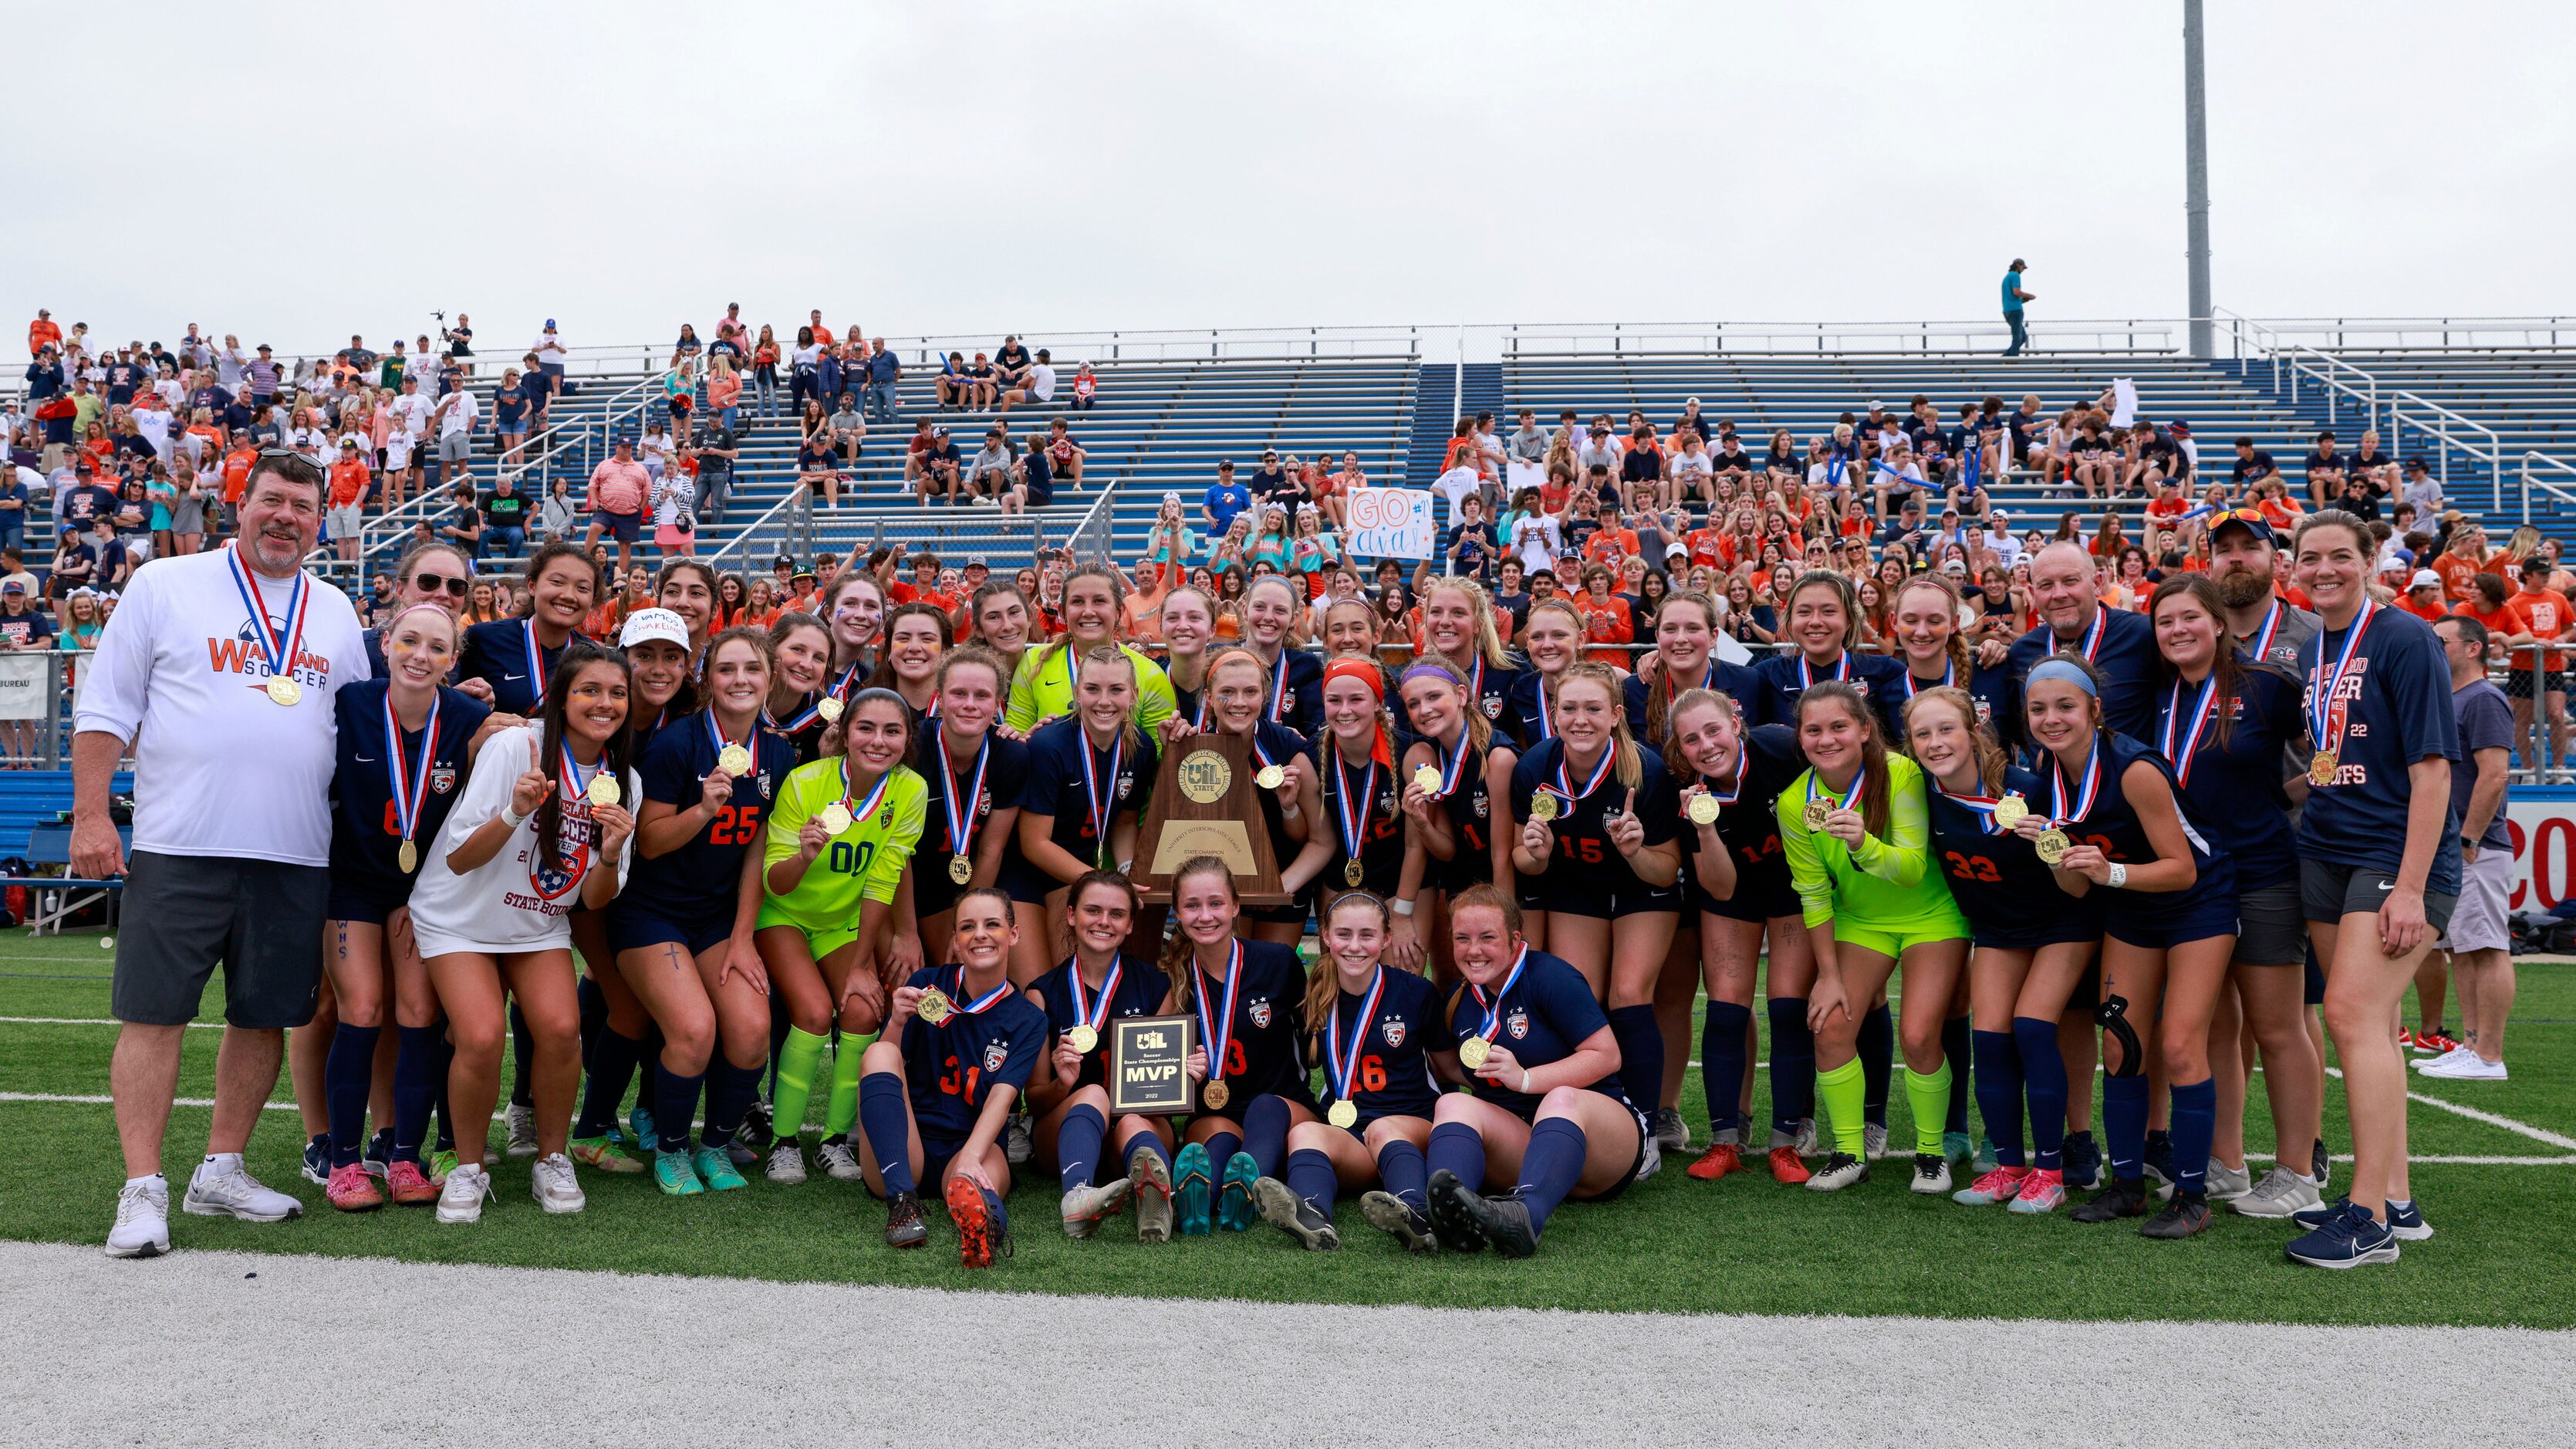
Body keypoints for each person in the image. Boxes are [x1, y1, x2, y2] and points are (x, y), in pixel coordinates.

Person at [76, 452, 368, 1257]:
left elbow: (361, 727)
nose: (286, 517)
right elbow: (105, 707)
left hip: (296, 852)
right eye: (271, 500)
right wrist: (94, 816)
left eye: (303, 506)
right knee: (154, 1013)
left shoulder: (337, 610)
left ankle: (223, 1169)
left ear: (321, 520)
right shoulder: (166, 584)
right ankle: (142, 1188)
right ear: (239, 506)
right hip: (182, 843)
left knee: (264, 1015)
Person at [405, 639, 640, 1223]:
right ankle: (467, 1167)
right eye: (589, 690)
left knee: (561, 1029)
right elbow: (459, 860)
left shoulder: (623, 780)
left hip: (535, 923)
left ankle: (551, 1159)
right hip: (459, 915)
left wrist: (609, 853)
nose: (604, 703)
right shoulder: (519, 745)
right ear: (563, 696)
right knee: (480, 1036)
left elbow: (592, 898)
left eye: (616, 693)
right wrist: (513, 812)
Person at [2281, 510, 2459, 1268]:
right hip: (2326, 848)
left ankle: (2368, 1217)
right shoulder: (2315, 646)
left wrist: (2414, 889)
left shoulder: (2404, 637)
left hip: (2392, 857)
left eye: (2340, 557)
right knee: (2373, 1025)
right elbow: (2334, 756)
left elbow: (2433, 772)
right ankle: (2398, 1197)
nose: (2325, 569)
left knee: (2353, 1014)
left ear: (2370, 560)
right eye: (2311, 558)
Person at [2145, 576, 2325, 1225]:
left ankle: (2298, 1172)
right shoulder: (2161, 695)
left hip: (2261, 874)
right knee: (2216, 1026)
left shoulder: (2265, 685)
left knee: (2276, 1027)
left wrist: (2291, 796)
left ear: (2219, 623)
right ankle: (2224, 1163)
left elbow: (2330, 747)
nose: (2176, 631)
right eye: (2164, 622)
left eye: (2189, 618)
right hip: (2191, 880)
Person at [596, 627, 795, 1195]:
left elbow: (757, 847)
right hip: (650, 912)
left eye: (751, 670)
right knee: (692, 1028)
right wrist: (704, 809)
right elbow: (651, 841)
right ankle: (673, 1149)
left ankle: (713, 1147)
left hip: (715, 919)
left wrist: (741, 936)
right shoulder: (676, 744)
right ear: (708, 678)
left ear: (769, 680)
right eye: (727, 669)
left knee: (753, 1029)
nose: (740, 680)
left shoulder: (777, 752)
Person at [311, 602, 495, 1211]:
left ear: (451, 660)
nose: (421, 655)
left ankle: (404, 1158)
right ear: (385, 643)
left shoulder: (469, 718)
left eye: (437, 647)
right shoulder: (349, 703)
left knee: (418, 1014)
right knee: (360, 1010)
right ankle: (342, 1162)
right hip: (354, 886)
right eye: (409, 641)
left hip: (423, 892)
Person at [1779, 681, 1970, 1194]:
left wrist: (1862, 844)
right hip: (1861, 922)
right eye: (1813, 729)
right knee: (1830, 1026)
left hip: (1930, 914)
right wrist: (1827, 974)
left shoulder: (1900, 772)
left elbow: (1909, 869)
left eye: (1839, 726)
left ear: (1864, 730)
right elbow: (1814, 894)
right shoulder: (1795, 803)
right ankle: (1848, 1152)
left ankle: (1931, 1155)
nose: (1826, 739)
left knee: (1917, 1034)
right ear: (1799, 738)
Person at [1507, 661, 1683, 1176]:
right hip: (1576, 889)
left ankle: (1644, 1128)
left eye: (1591, 709)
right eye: (1568, 708)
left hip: (1639, 888)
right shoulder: (1534, 768)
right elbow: (1524, 861)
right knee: (1578, 996)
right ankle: (1593, 1115)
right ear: (1552, 713)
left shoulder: (1645, 772)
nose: (1579, 719)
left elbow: (1666, 868)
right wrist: (1535, 853)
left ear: (1614, 715)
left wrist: (1632, 850)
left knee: (1629, 994)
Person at [1423, 885, 1646, 1258]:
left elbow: (1607, 1056)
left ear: (1514, 939)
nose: (1473, 950)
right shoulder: (1459, 999)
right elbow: (1450, 1068)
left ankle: (1524, 1218)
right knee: (1452, 1107)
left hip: (1600, 1141)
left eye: (1487, 938)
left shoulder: (1550, 977)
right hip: (1525, 1146)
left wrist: (1526, 1079)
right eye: (1462, 938)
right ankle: (1450, 1214)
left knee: (1560, 1097)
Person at [1660, 687, 1818, 1184]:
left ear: (1736, 720)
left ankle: (1787, 1142)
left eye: (1713, 730)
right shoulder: (1684, 788)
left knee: (1789, 1008)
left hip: (1795, 887)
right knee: (1727, 1011)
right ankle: (1724, 1140)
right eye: (1690, 739)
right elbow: (1721, 887)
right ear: (1679, 749)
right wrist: (1704, 828)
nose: (1706, 746)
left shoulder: (1783, 748)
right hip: (1734, 894)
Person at [850, 886, 1046, 1266]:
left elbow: (1002, 1099)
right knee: (878, 1051)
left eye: (993, 924)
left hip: (970, 1144)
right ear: (955, 940)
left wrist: (971, 1158)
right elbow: (886, 1064)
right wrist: (897, 1020)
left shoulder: (1028, 1018)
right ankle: (903, 1204)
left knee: (976, 1184)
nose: (980, 935)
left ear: (1014, 934)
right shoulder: (928, 983)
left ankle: (981, 1231)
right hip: (908, 1149)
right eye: (967, 927)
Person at [1251, 890, 1454, 1252]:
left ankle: (1416, 1212)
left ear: (1386, 938)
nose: (1354, 946)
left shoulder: (1416, 992)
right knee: (1308, 1133)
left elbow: (1449, 1066)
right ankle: (1313, 1216)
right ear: (1326, 937)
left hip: (1412, 1127)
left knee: (1382, 1127)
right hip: (1352, 1135)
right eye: (1343, 934)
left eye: (1367, 935)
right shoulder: (1315, 995)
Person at [1160, 855, 1316, 1235]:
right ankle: (1201, 1197)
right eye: (1192, 906)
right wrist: (1182, 1071)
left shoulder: (1279, 962)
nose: (1205, 916)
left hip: (1283, 1106)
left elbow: (1315, 1042)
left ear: (1235, 907)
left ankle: (1245, 1188)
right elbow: (1156, 1064)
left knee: (1265, 1109)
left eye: (1216, 903)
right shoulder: (1172, 978)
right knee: (1217, 1141)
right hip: (1218, 1110)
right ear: (1177, 913)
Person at [1024, 870, 1175, 1240]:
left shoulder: (1156, 987)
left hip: (1133, 1127)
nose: (1104, 922)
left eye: (1116, 914)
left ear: (1129, 926)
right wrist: (1063, 1085)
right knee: (1092, 1094)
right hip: (1064, 1135)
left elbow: (1165, 1102)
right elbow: (1035, 1100)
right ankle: (1078, 1197)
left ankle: (1157, 1204)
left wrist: (1180, 1075)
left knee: (1132, 1119)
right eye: (1093, 910)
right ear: (1072, 915)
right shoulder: (1042, 993)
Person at [2422, 613, 2514, 1082]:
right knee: (2462, 947)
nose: (2434, 648)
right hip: (2458, 845)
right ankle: (2473, 1045)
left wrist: (2469, 837)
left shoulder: (2483, 698)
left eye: (2442, 641)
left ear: (2473, 648)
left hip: (2475, 844)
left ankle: (2489, 1054)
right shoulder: (2455, 699)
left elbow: (2495, 773)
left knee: (2487, 946)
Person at [907, 647, 1028, 977]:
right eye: (959, 693)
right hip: (910, 886)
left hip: (974, 883)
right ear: (940, 697)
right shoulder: (911, 747)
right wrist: (903, 933)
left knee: (968, 964)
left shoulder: (1011, 757)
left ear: (998, 703)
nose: (970, 704)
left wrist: (966, 923)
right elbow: (894, 852)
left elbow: (992, 848)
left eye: (982, 695)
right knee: (913, 976)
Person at [459, 542, 596, 716]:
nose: (569, 595)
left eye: (583, 588)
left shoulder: (593, 657)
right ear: (532, 586)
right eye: (557, 582)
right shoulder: (482, 639)